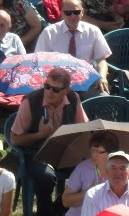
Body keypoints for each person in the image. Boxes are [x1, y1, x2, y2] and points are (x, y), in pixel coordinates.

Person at [10, 68, 89, 216]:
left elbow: (83, 128)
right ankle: (44, 212)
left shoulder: (73, 98)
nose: (49, 92)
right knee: (46, 177)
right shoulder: (30, 102)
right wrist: (41, 134)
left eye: (55, 90)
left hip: (64, 151)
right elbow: (15, 139)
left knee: (86, 170)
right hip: (36, 153)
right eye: (47, 86)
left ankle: (61, 207)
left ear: (66, 91)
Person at [36, 0, 111, 94]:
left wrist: (102, 76)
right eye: (68, 13)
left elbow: (101, 59)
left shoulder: (93, 31)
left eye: (76, 12)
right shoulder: (49, 33)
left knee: (103, 99)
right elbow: (39, 61)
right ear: (62, 14)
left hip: (87, 78)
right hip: (58, 82)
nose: (72, 16)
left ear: (82, 12)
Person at [81, 151, 129, 216]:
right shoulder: (93, 195)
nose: (117, 172)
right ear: (107, 171)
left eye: (122, 168)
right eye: (113, 168)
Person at [62, 131, 120, 216]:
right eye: (92, 150)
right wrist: (89, 192)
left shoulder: (121, 170)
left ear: (110, 153)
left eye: (98, 152)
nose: (93, 155)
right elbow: (66, 201)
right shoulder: (83, 168)